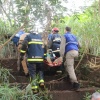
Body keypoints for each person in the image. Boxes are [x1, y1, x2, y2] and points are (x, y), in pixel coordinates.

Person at [60, 26, 81, 91]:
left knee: (70, 67)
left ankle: (75, 83)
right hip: (76, 52)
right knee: (66, 64)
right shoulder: (74, 36)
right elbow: (80, 45)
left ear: (65, 30)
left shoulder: (64, 36)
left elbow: (62, 46)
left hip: (70, 52)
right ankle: (69, 76)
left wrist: (61, 55)